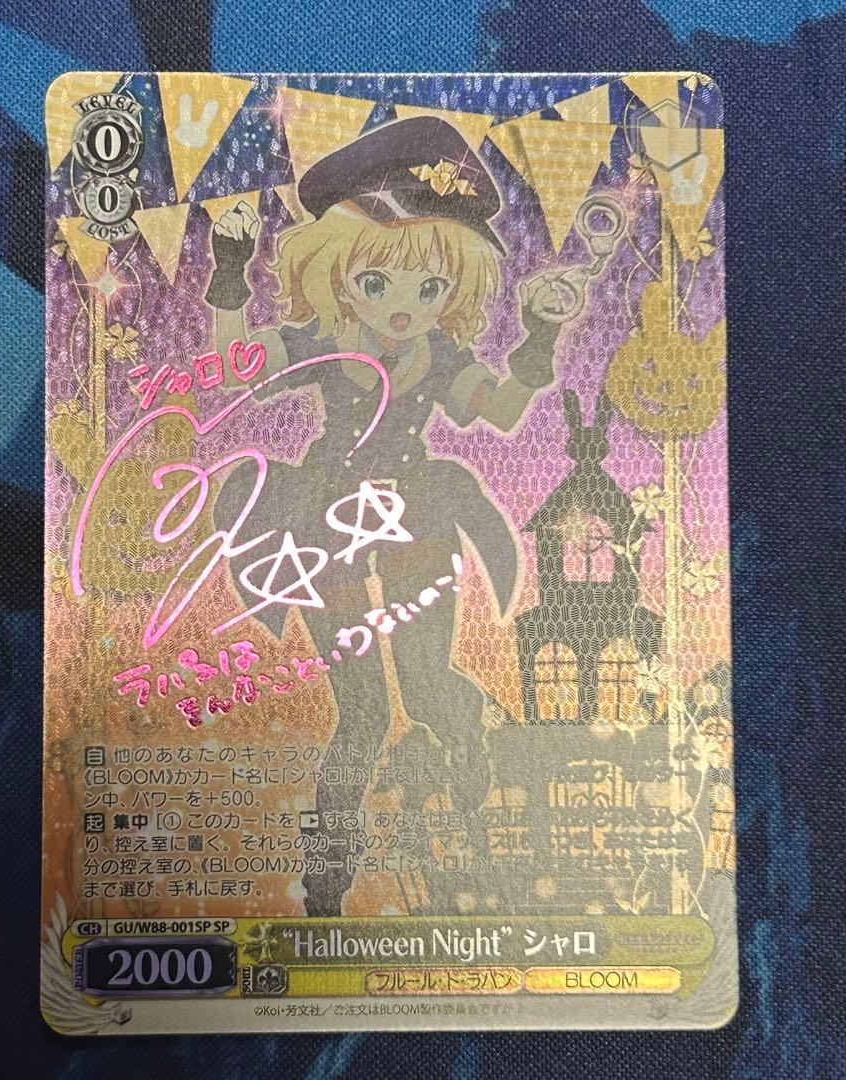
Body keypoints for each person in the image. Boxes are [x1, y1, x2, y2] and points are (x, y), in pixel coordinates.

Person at [206, 116, 573, 914]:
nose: (404, 306)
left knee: (429, 684)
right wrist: (229, 272)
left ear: (453, 289)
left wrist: (541, 336)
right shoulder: (320, 341)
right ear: (338, 272)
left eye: (429, 288)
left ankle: (466, 738)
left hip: (416, 520)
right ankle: (330, 871)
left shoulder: (439, 358)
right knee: (363, 713)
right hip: (326, 522)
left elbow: (502, 410)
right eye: (378, 282)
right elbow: (233, 371)